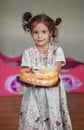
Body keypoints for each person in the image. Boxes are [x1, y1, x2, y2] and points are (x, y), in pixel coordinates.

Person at [18, 12, 72, 130]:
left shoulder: (57, 51)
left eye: (44, 32)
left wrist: (37, 74)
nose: (39, 36)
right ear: (31, 34)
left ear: (50, 33)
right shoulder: (28, 52)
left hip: (52, 91)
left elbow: (56, 70)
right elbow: (26, 72)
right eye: (35, 32)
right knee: (33, 117)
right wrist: (30, 76)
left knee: (52, 116)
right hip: (34, 93)